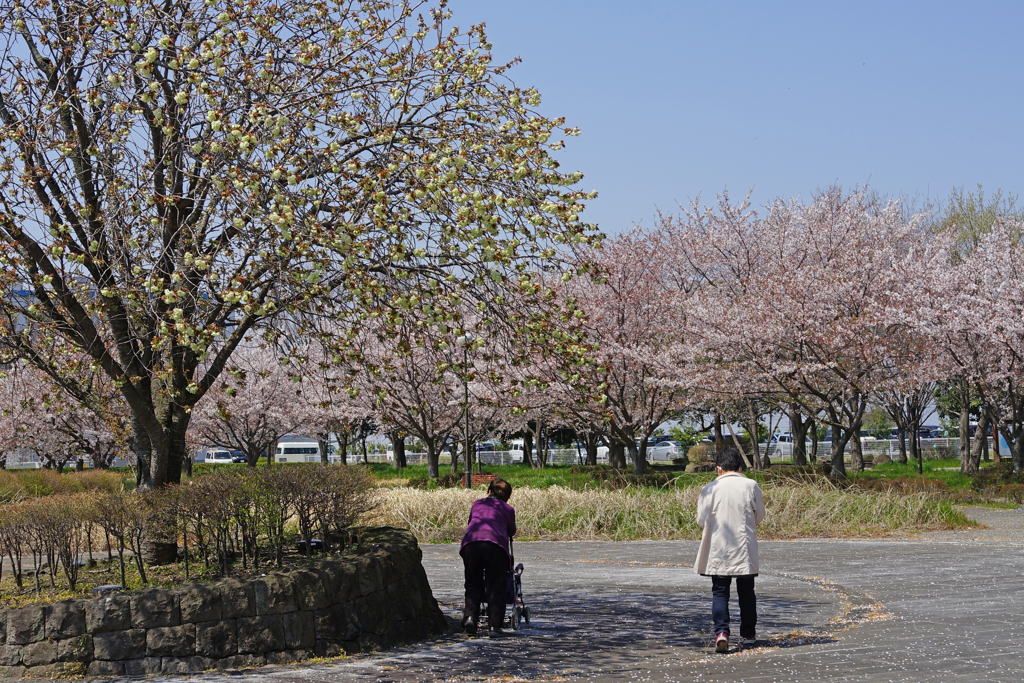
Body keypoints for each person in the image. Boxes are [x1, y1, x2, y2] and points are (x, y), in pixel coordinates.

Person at [694, 446, 766, 653]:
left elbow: (701, 520)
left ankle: (721, 633)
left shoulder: (709, 488)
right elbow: (759, 515)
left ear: (719, 468)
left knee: (720, 591)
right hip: (744, 545)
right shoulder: (751, 485)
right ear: (740, 468)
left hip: (718, 546)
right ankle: (748, 635)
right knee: (747, 592)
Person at [460, 478, 516, 637]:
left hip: (471, 544)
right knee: (496, 585)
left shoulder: (477, 504)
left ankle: (471, 618)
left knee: (472, 583)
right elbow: (511, 531)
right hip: (495, 546)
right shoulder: (508, 509)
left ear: (489, 491)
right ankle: (494, 626)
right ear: (507, 496)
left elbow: (471, 522)